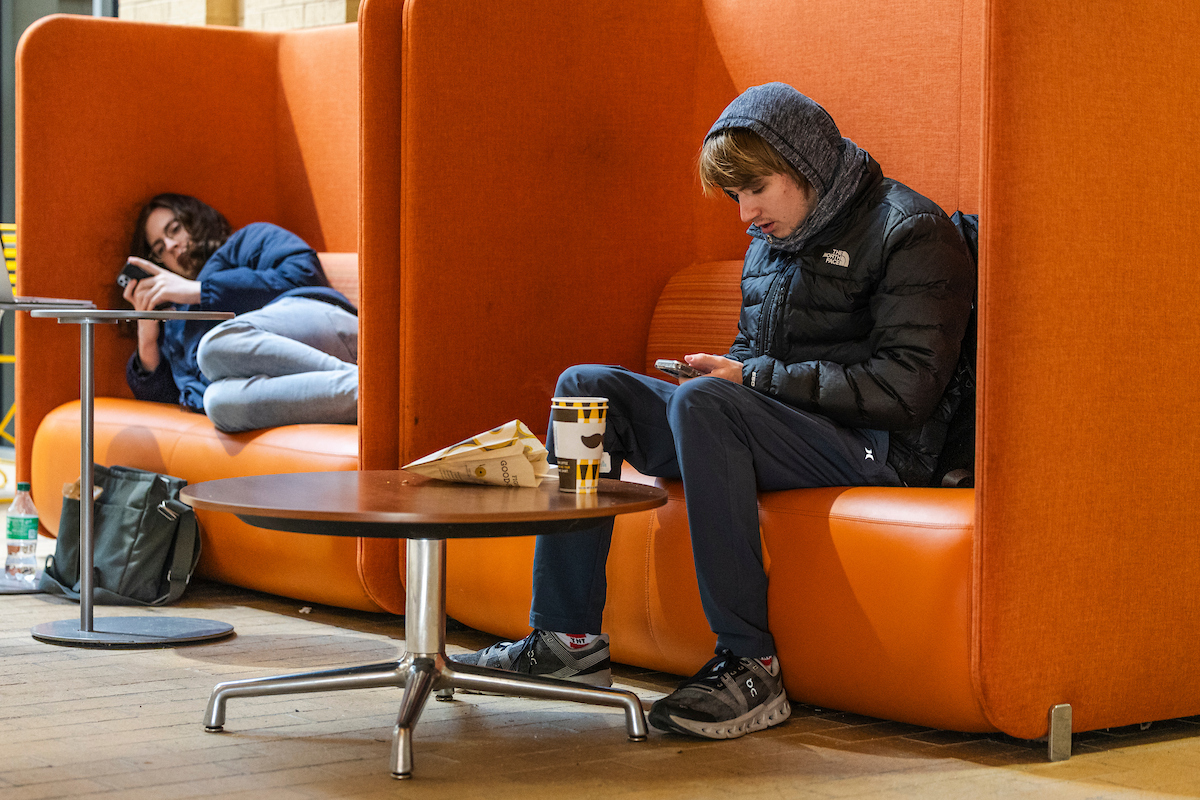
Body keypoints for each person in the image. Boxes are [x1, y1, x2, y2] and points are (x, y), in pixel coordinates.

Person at [453, 83, 975, 739]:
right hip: (773, 427)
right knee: (586, 386)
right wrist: (728, 373)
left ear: (807, 165)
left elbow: (907, 390)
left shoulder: (911, 231)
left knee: (706, 403)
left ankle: (749, 666)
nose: (745, 213)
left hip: (875, 446)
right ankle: (567, 639)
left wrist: (748, 377)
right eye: (735, 196)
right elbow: (750, 362)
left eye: (756, 188)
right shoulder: (773, 240)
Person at [122, 193, 358, 433]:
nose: (171, 246)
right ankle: (367, 392)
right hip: (276, 377)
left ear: (197, 219)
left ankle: (369, 386)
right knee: (218, 403)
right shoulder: (176, 321)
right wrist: (147, 334)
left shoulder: (248, 240)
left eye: (174, 229)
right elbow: (169, 401)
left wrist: (201, 291)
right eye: (160, 248)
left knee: (214, 347)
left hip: (327, 326)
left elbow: (303, 273)